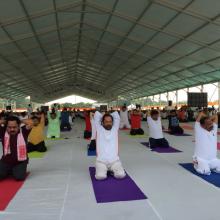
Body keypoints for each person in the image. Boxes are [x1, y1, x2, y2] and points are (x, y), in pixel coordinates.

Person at [94, 110, 126, 180]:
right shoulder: (99, 129)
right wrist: (104, 115)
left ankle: (111, 169)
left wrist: (108, 115)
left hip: (114, 161)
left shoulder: (115, 129)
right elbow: (96, 114)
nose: (108, 123)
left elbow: (116, 115)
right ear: (102, 122)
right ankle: (103, 169)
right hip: (101, 161)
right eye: (106, 122)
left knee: (121, 175)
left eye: (110, 122)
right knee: (100, 177)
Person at [0, 116, 31, 181]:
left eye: (14, 127)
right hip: (6, 161)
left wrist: (19, 120)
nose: (12, 129)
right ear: (6, 126)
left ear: (18, 125)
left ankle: (13, 170)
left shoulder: (23, 131)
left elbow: (31, 123)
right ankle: (8, 170)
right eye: (9, 127)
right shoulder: (3, 131)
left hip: (20, 162)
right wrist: (5, 121)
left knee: (19, 177)